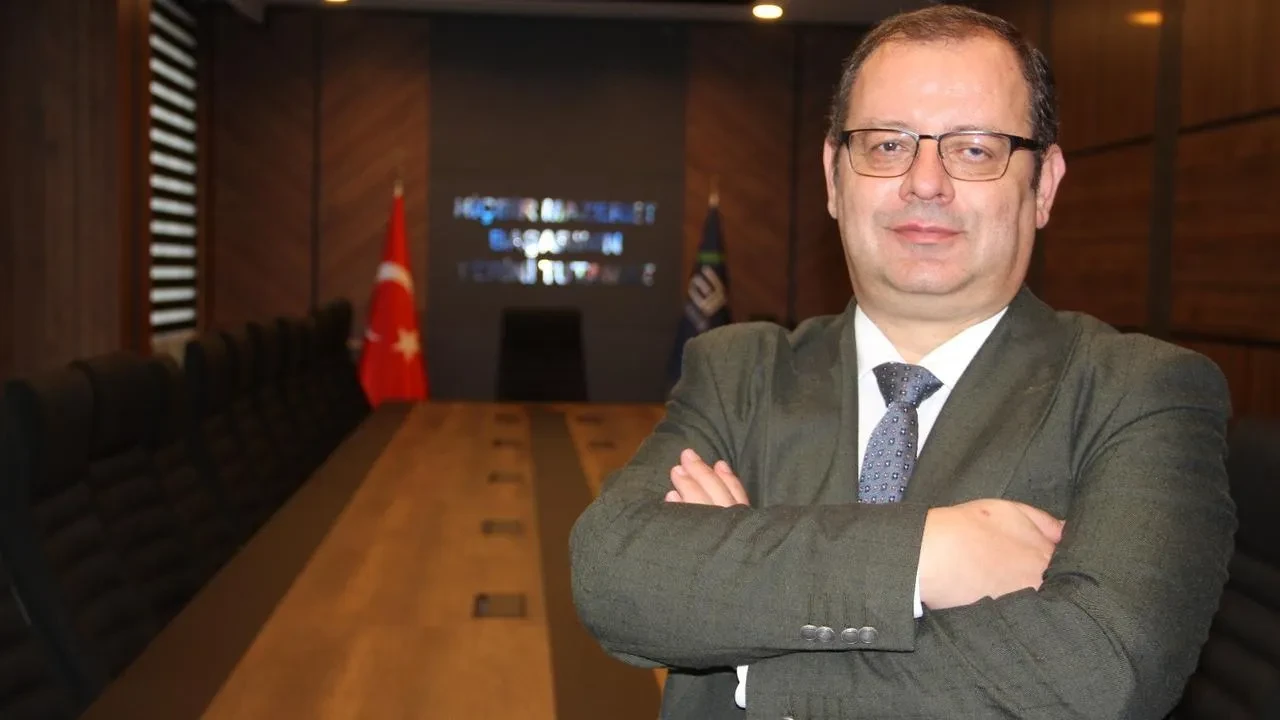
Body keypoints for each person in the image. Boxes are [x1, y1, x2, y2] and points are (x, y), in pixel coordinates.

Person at [568, 4, 1236, 719]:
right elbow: (616, 577)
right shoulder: (739, 371)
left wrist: (749, 647)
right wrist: (928, 554)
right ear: (834, 178)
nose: (925, 182)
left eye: (974, 149)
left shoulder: (1138, 393)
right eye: (887, 145)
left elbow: (1100, 672)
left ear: (1043, 186)